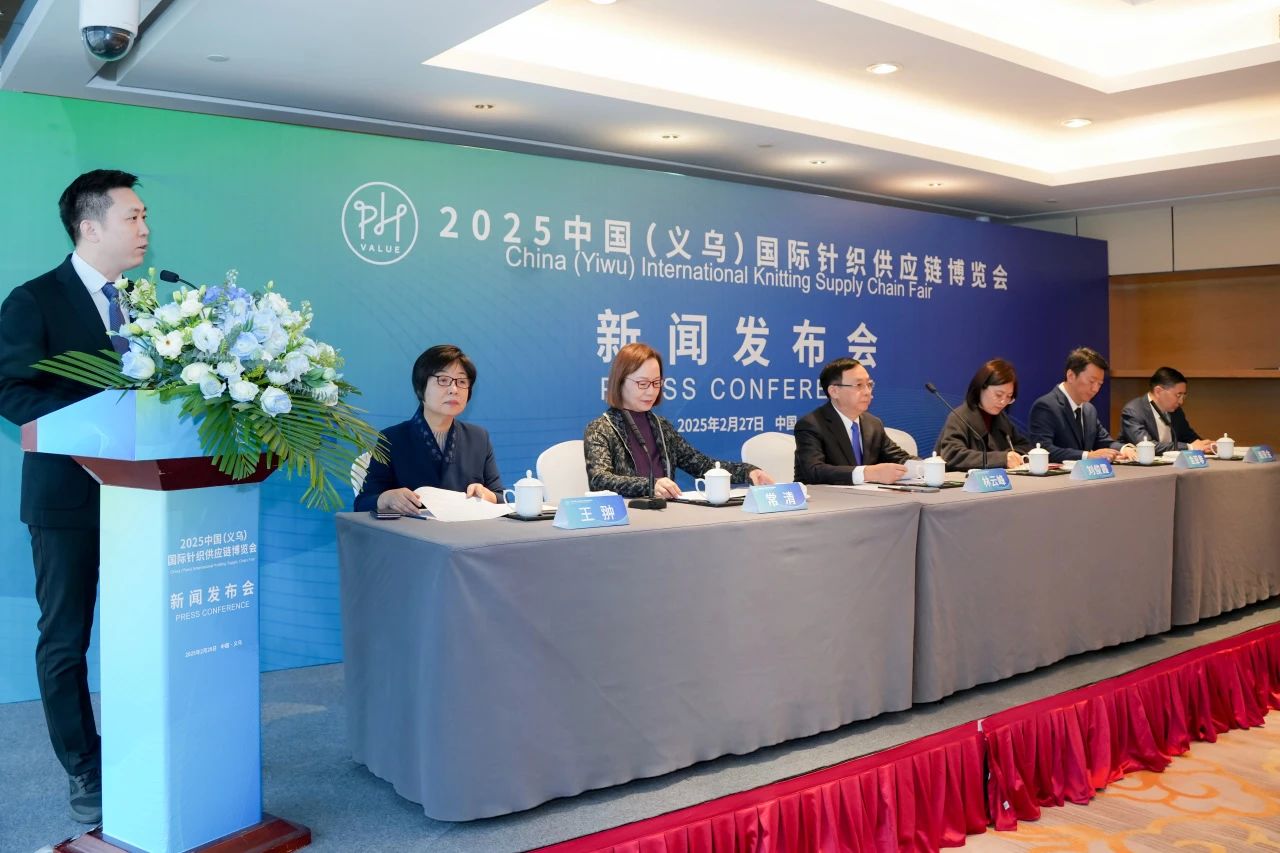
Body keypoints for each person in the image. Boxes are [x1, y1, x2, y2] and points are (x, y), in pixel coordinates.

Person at [0, 169, 150, 824]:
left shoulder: (144, 302)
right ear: (90, 227)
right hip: (67, 499)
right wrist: (88, 424)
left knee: (142, 627)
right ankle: (83, 766)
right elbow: (9, 389)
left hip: (143, 497)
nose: (145, 228)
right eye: (133, 217)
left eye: (144, 216)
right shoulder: (34, 299)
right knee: (65, 638)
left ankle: (141, 744)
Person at [584, 342, 772, 498]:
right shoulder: (601, 428)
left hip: (667, 516)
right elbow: (600, 480)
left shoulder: (661, 427)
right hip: (626, 520)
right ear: (620, 381)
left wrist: (748, 471)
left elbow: (703, 466)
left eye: (656, 383)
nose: (651, 391)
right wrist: (650, 485)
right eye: (642, 383)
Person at [354, 344, 503, 513]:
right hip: (412, 529)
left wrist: (487, 495)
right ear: (421, 387)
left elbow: (500, 496)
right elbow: (362, 503)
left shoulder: (479, 438)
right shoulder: (392, 439)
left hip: (467, 529)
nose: (454, 389)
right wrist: (386, 498)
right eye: (443, 380)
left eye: (462, 382)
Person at [794, 357, 912, 485]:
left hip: (866, 495)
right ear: (834, 391)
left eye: (869, 384)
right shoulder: (811, 425)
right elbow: (814, 471)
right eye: (859, 385)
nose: (867, 392)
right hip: (822, 496)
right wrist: (868, 473)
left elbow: (899, 458)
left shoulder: (873, 424)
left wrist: (925, 466)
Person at [1028, 346, 1137, 464]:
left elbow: (1103, 441)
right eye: (1091, 381)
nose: (1095, 389)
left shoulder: (1089, 410)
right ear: (1071, 376)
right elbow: (1044, 450)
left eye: (1099, 384)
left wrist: (1124, 449)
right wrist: (1087, 456)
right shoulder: (1046, 406)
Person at [934, 358, 1033, 471]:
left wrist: (1011, 455)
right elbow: (952, 454)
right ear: (981, 387)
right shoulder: (959, 416)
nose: (1003, 402)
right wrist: (1001, 459)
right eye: (999, 394)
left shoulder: (1002, 419)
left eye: (1009, 396)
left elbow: (1026, 447)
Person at [1120, 366, 1214, 454]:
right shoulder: (1133, 411)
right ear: (1158, 391)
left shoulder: (1176, 411)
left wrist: (1208, 446)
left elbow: (1189, 437)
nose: (1181, 401)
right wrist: (1189, 447)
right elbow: (1147, 446)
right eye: (1178, 395)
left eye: (1183, 396)